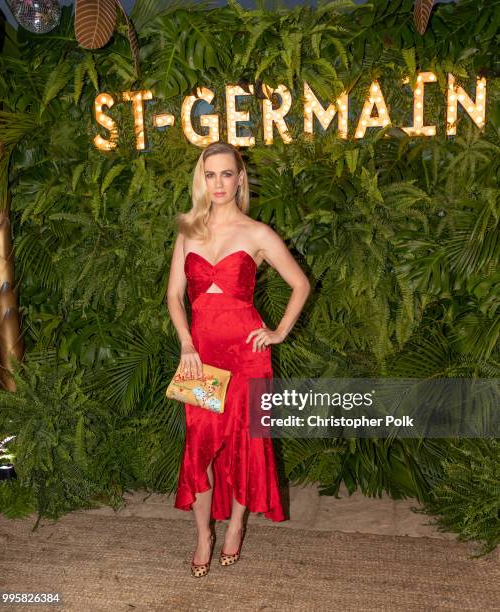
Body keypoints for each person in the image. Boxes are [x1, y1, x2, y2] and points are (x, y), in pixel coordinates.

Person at [166, 141, 311, 577]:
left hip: (248, 356)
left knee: (249, 447)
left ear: (240, 178)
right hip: (201, 356)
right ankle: (203, 534)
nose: (219, 183)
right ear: (201, 180)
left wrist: (278, 332)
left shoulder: (257, 233)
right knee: (201, 449)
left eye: (227, 174)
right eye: (210, 175)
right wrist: (186, 343)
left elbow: (300, 285)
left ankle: (235, 528)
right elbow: (174, 295)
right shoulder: (188, 230)